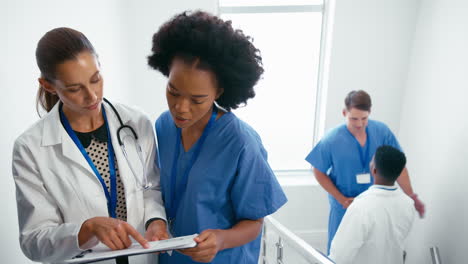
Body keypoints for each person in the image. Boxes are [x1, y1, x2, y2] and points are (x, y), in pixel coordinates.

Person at [12, 27, 168, 264]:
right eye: (75, 89)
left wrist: (156, 222)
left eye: (95, 79)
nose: (92, 96)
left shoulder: (136, 123)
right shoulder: (30, 148)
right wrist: (86, 230)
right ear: (48, 85)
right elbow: (34, 240)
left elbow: (151, 189)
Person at [147, 10, 288, 264]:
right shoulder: (163, 126)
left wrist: (222, 239)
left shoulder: (241, 143)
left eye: (197, 99)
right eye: (173, 91)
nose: (181, 107)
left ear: (219, 92)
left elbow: (255, 222)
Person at [305, 90, 425, 253]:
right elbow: (318, 171)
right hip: (345, 204)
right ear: (344, 112)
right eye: (353, 118)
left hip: (375, 203)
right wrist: (341, 199)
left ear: (370, 113)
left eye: (364, 118)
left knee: (372, 249)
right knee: (339, 250)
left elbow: (399, 166)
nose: (359, 124)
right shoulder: (332, 139)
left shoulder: (381, 131)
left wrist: (411, 196)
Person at [329, 145, 416, 264]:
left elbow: (339, 255)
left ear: (374, 170)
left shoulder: (361, 207)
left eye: (371, 160)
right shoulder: (408, 204)